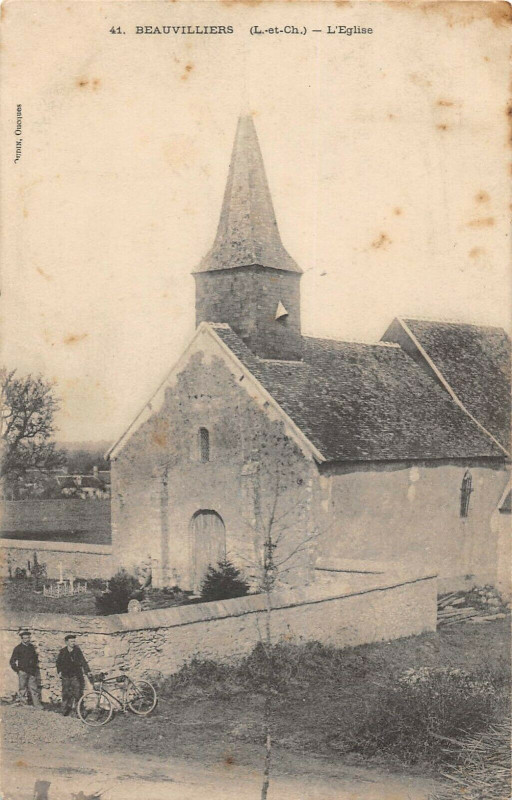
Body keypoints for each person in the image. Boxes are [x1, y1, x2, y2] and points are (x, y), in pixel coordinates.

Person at [56, 634, 92, 716]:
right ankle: (64, 710)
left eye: (74, 641)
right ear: (66, 642)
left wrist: (88, 671)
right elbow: (58, 662)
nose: (73, 643)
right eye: (71, 641)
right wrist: (59, 671)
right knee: (65, 693)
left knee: (77, 694)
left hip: (75, 676)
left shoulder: (77, 651)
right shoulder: (63, 651)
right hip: (65, 676)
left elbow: (83, 661)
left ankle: (78, 712)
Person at [9, 630, 42, 708]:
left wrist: (34, 667)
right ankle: (23, 704)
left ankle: (37, 704)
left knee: (33, 688)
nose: (27, 640)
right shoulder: (18, 648)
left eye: (28, 638)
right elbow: (12, 661)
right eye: (25, 638)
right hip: (22, 671)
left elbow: (35, 658)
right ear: (22, 639)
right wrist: (18, 670)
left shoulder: (31, 647)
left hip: (31, 671)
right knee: (22, 688)